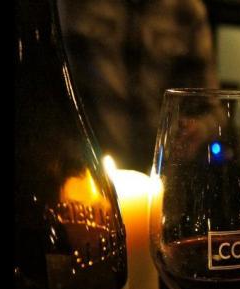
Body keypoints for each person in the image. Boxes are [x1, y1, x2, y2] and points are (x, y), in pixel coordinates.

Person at [59, 0, 219, 173]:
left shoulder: (187, 10)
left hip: (161, 171)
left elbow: (212, 108)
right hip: (84, 169)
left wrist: (198, 129)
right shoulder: (74, 4)